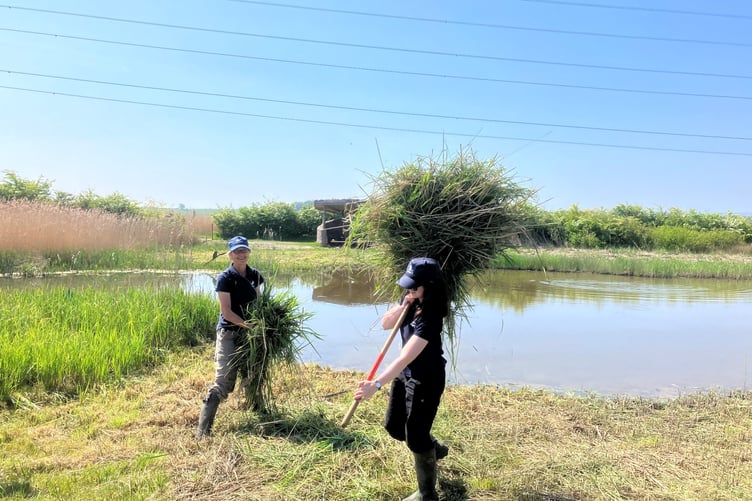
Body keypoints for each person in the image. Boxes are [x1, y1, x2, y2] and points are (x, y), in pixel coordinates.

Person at [354, 257, 450, 501]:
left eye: (414, 286)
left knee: (415, 436)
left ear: (429, 286)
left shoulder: (432, 315)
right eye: (407, 285)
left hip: (425, 378)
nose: (409, 289)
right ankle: (433, 449)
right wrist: (404, 303)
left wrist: (375, 385)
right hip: (404, 375)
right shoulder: (411, 299)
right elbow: (387, 324)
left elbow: (405, 358)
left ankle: (427, 494)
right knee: (394, 427)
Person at [196, 235, 265, 440]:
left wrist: (262, 322)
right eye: (237, 251)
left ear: (249, 252)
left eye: (244, 250)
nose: (241, 254)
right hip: (229, 333)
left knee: (254, 371)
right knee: (223, 381)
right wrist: (248, 325)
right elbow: (226, 312)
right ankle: (203, 432)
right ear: (230, 255)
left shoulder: (255, 275)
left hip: (249, 334)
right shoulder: (225, 278)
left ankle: (258, 411)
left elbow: (258, 301)